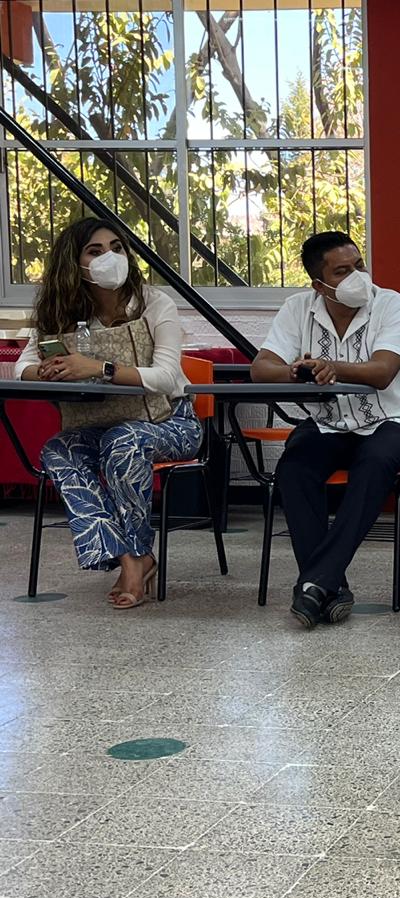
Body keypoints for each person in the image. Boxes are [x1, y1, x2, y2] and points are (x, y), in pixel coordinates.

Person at [15, 217, 199, 609]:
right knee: (58, 450)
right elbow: (22, 367)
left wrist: (99, 368)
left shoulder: (154, 303)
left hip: (170, 422)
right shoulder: (57, 312)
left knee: (123, 442)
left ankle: (138, 555)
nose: (109, 258)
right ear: (74, 264)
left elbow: (167, 377)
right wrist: (48, 370)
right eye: (95, 251)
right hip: (99, 424)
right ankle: (130, 556)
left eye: (116, 248)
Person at [251, 231, 400, 629]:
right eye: (343, 271)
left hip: (394, 423)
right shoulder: (298, 308)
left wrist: (332, 368)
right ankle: (330, 586)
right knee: (294, 468)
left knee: (373, 463)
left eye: (359, 265)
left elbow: (382, 372)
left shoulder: (392, 304)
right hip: (330, 424)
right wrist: (295, 371)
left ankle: (316, 582)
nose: (357, 277)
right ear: (319, 285)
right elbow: (261, 368)